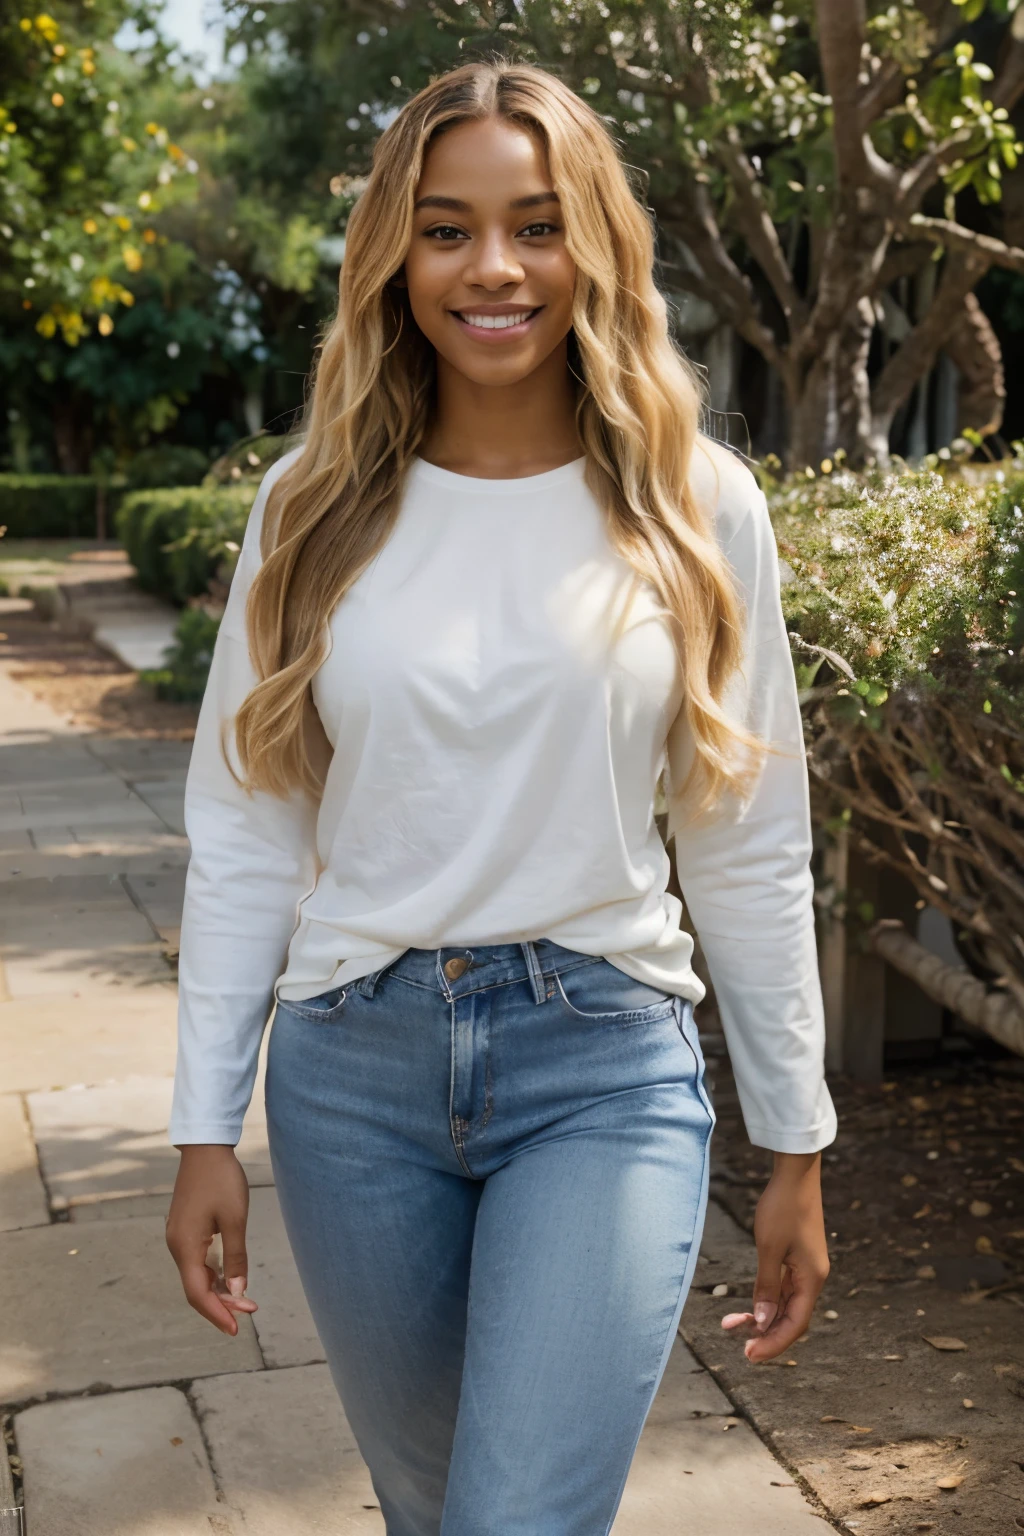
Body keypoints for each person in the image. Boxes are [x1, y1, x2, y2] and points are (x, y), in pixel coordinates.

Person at [166, 58, 836, 1536]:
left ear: (593, 242)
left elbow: (747, 840)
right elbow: (247, 831)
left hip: (601, 1068)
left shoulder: (699, 504)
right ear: (394, 254)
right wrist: (200, 1127)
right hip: (352, 1078)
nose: (494, 269)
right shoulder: (311, 507)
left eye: (536, 225)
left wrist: (795, 1142)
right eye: (447, 227)